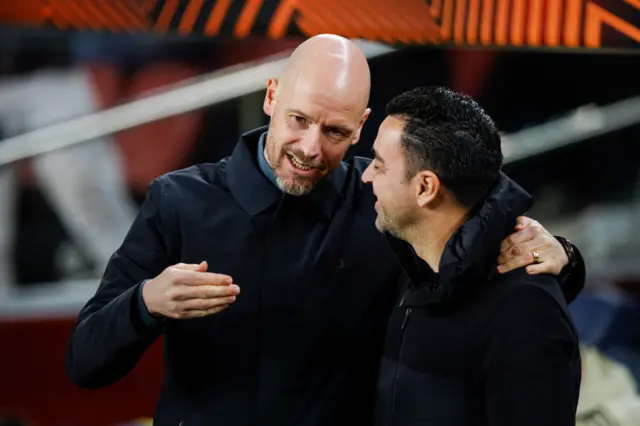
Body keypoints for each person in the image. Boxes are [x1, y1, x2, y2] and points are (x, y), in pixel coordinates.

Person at [66, 35, 585, 426]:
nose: (311, 147)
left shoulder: (381, 203)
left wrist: (560, 255)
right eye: (299, 119)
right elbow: (85, 362)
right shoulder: (179, 200)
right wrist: (146, 303)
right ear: (271, 97)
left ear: (361, 126)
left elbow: (471, 230)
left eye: (335, 131)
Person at [366, 86, 581, 426]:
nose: (366, 176)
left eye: (378, 166)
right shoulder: (413, 266)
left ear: (425, 187)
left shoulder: (523, 311)